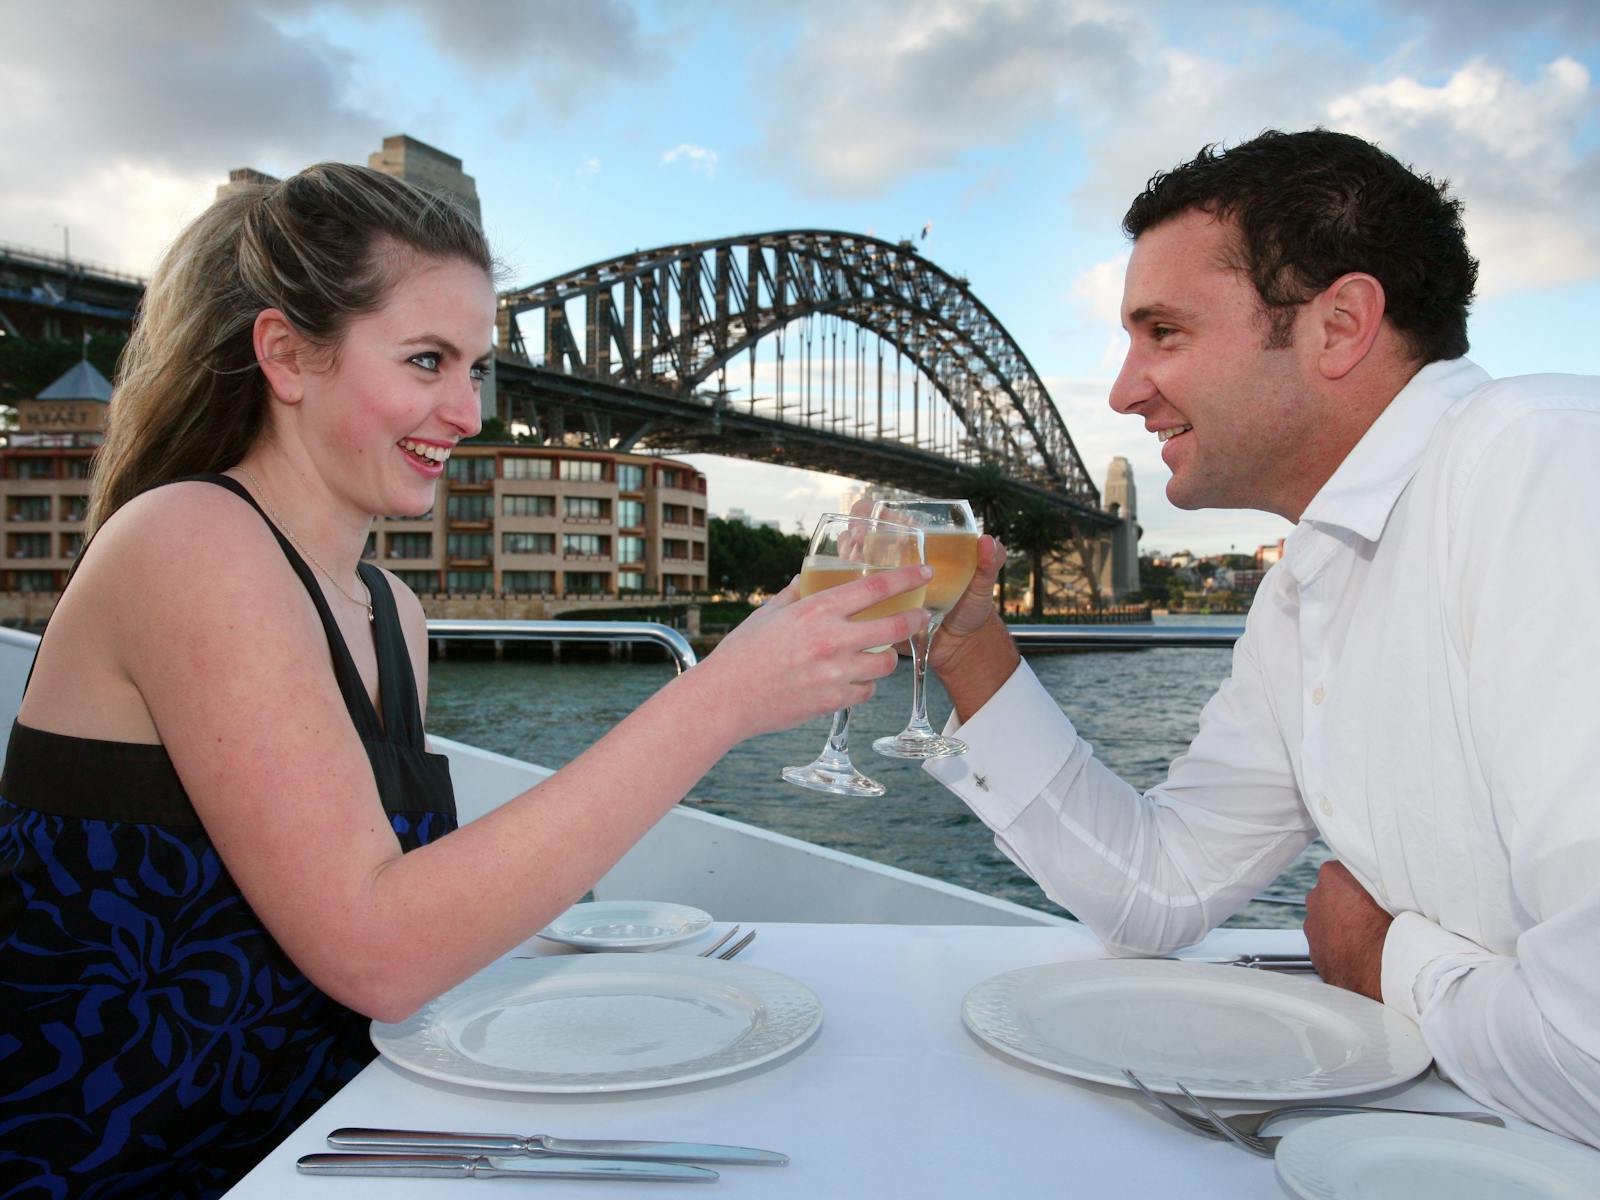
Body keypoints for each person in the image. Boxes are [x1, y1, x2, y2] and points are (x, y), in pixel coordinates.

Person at [0, 163, 931, 1197]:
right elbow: (376, 952)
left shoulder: (391, 611)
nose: (468, 408)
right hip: (125, 1170)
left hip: (341, 1147)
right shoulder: (188, 541)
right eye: (427, 360)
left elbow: (385, 916)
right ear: (286, 354)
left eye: (477, 366)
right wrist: (721, 697)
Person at [923, 129, 1600, 1146]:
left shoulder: (1544, 472)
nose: (1122, 390)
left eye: (1165, 333)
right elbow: (1157, 890)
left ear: (1338, 325)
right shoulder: (1308, 589)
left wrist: (1378, 961)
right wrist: (970, 646)